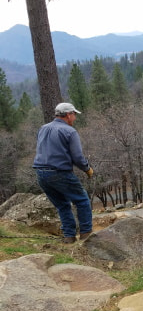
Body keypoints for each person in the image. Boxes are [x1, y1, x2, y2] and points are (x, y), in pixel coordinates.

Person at [33, 102, 94, 243]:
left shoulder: (43, 128)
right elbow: (78, 157)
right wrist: (87, 169)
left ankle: (69, 237)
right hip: (59, 172)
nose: (75, 118)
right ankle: (86, 236)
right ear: (68, 115)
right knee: (82, 200)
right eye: (74, 115)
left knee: (62, 205)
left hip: (41, 173)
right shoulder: (70, 131)